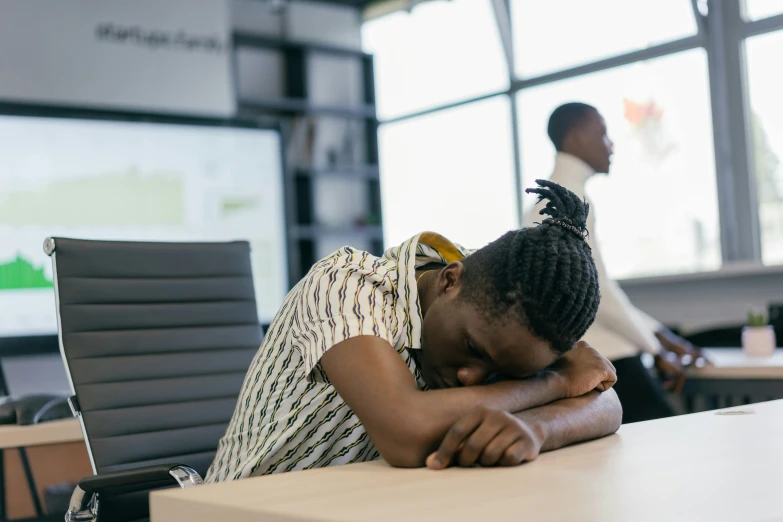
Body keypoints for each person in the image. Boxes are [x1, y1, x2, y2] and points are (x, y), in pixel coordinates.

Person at [206, 181, 621, 482]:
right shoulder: (345, 284)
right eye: (472, 348)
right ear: (448, 282)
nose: (470, 377)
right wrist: (555, 383)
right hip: (244, 507)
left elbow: (606, 401)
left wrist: (540, 428)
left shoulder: (521, 308)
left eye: (510, 370)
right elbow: (405, 431)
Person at [523, 102, 706, 424]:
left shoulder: (555, 199)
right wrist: (655, 348)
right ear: (577, 139)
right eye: (603, 134)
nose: (611, 145)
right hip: (598, 352)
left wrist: (660, 335)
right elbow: (594, 293)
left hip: (598, 348)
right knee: (662, 427)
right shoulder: (566, 202)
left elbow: (597, 287)